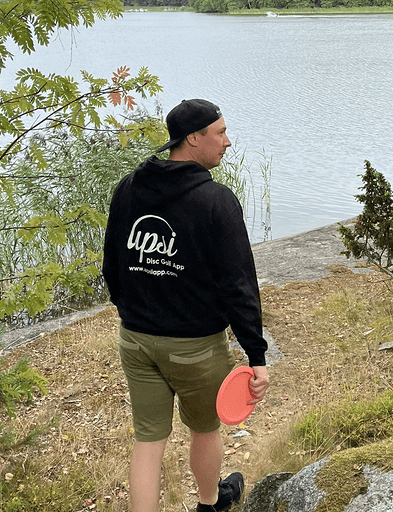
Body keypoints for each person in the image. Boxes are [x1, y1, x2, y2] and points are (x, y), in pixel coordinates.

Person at [102, 99, 269, 512]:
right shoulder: (216, 200)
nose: (228, 143)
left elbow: (112, 265)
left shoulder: (129, 187)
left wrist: (133, 313)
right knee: (205, 429)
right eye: (220, 133)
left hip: (136, 342)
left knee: (148, 440)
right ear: (193, 138)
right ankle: (211, 504)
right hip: (195, 346)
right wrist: (257, 355)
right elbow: (239, 286)